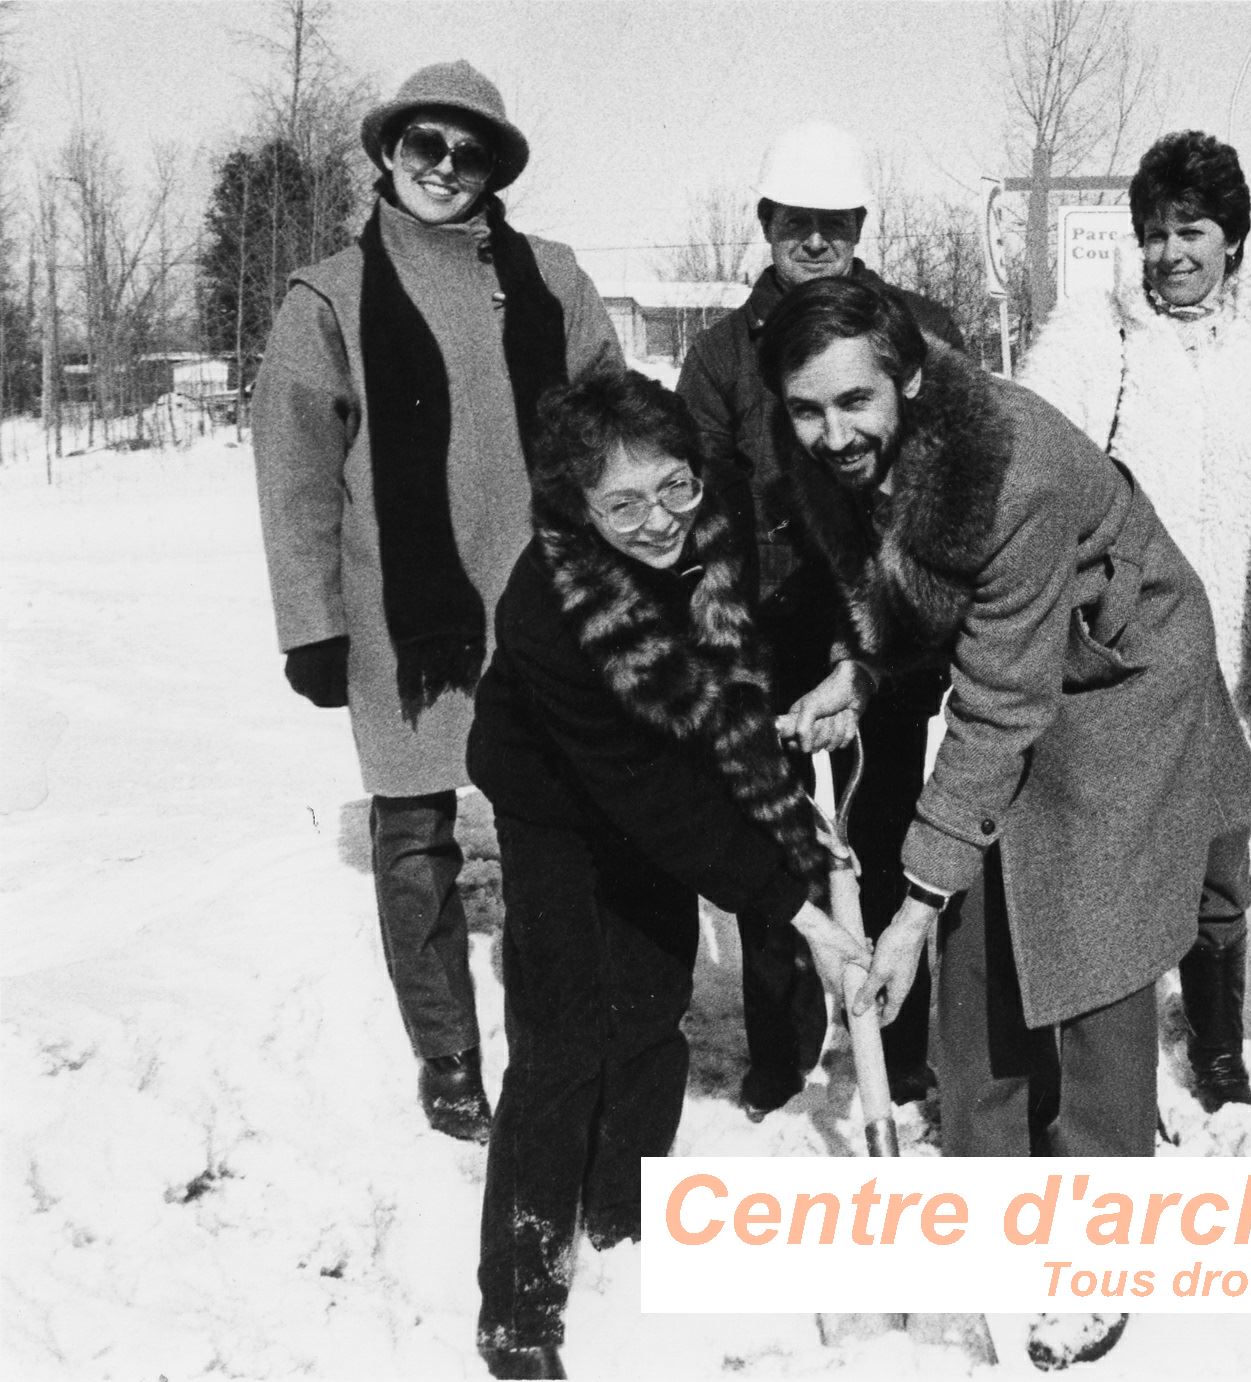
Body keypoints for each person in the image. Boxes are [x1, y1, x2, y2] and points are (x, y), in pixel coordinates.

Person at [756, 275, 1251, 1157]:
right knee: (980, 916)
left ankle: (1098, 1197)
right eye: (808, 410)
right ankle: (987, 1160)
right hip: (1024, 653)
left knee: (1090, 931)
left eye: (853, 401)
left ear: (909, 380)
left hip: (1123, 672)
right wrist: (863, 675)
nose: (832, 435)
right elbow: (917, 593)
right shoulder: (823, 446)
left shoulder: (1009, 470)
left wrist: (909, 911)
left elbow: (998, 708)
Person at [465, 369, 867, 1379]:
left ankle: (621, 1203)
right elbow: (645, 793)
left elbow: (752, 644)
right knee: (562, 1030)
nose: (659, 521)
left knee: (650, 993)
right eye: (624, 504)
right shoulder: (547, 609)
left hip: (660, 765)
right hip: (557, 795)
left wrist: (811, 692)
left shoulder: (711, 516)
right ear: (577, 505)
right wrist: (793, 905)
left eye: (674, 487)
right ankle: (518, 1296)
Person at [252, 61, 622, 1142]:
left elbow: (613, 429)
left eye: (468, 152)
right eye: (426, 146)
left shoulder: (552, 278)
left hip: (543, 606)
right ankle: (448, 1053)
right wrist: (312, 623)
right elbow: (293, 475)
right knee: (415, 835)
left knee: (549, 822)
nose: (445, 169)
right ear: (387, 153)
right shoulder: (327, 296)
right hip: (402, 620)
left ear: (494, 166)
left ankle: (549, 1035)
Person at [677, 123, 965, 1116]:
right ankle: (781, 1052)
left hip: (883, 627)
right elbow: (702, 518)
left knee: (884, 824)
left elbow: (940, 486)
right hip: (770, 632)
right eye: (797, 222)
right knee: (779, 843)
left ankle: (899, 1045)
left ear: (856, 226)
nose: (815, 240)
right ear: (765, 224)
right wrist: (733, 662)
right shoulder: (720, 359)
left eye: (834, 223)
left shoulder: (912, 328)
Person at [1016, 130, 1251, 1112]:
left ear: (1232, 237)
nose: (1171, 252)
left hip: (1233, 648)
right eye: (1153, 233)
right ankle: (1115, 1054)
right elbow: (1042, 468)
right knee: (1122, 858)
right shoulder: (1099, 334)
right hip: (1130, 648)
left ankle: (1217, 1041)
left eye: (1192, 230)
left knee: (1221, 863)